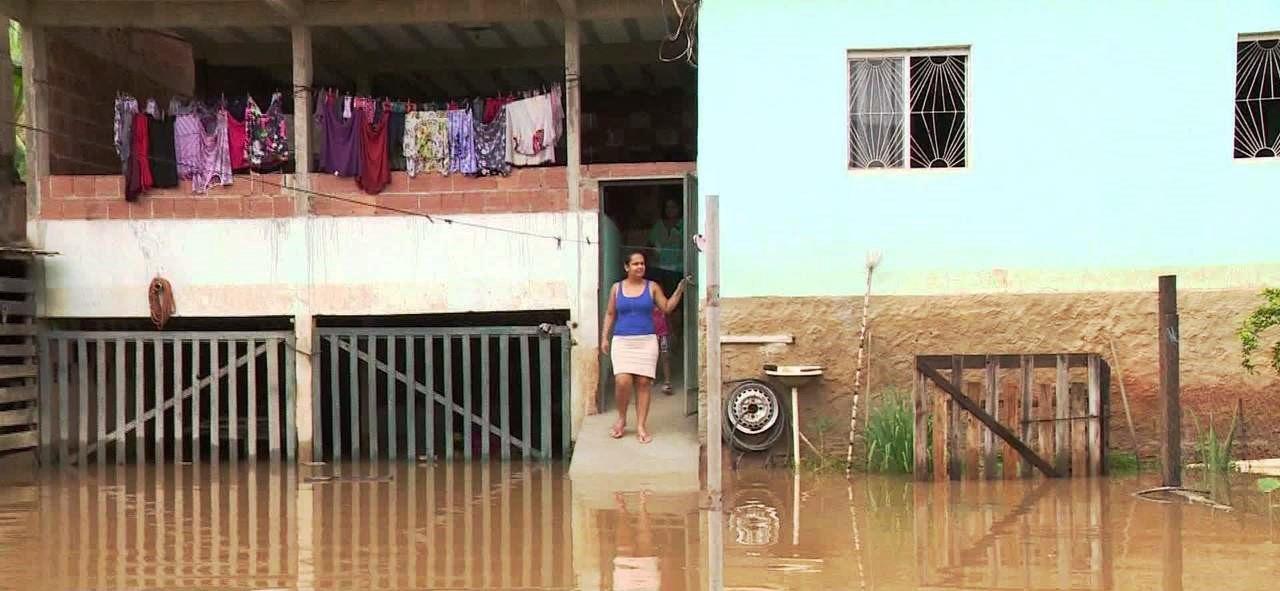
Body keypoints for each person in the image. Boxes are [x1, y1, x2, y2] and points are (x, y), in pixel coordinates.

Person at [601, 251, 688, 444]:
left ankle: (641, 425)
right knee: (622, 381)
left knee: (643, 383)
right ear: (626, 267)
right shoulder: (616, 288)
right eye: (635, 264)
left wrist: (679, 290)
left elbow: (666, 307)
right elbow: (609, 314)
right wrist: (604, 338)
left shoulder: (652, 287)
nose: (640, 267)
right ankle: (622, 418)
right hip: (622, 341)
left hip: (646, 341)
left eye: (642, 264)